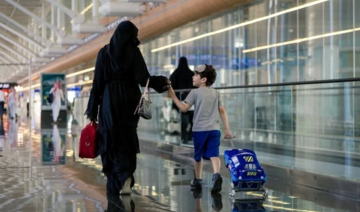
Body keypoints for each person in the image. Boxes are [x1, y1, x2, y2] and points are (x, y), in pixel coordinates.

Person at [85, 21, 170, 196]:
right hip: (130, 100)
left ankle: (116, 176)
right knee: (127, 136)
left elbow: (97, 84)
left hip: (109, 101)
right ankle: (126, 174)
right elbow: (143, 79)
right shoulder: (134, 52)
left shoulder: (104, 53)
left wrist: (92, 111)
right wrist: (162, 82)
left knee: (109, 136)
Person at [168, 64, 232, 193]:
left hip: (199, 130)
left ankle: (197, 180)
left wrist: (173, 95)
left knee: (198, 156)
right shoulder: (216, 93)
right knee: (214, 154)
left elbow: (184, 108)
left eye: (196, 74)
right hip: (215, 129)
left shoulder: (195, 92)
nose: (193, 76)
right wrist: (226, 129)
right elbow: (222, 111)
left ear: (203, 80)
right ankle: (216, 175)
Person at [169, 57, 196, 144]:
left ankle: (184, 137)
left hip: (180, 101)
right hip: (192, 102)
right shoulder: (191, 73)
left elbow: (170, 85)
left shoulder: (176, 73)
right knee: (192, 120)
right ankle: (190, 136)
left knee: (183, 120)